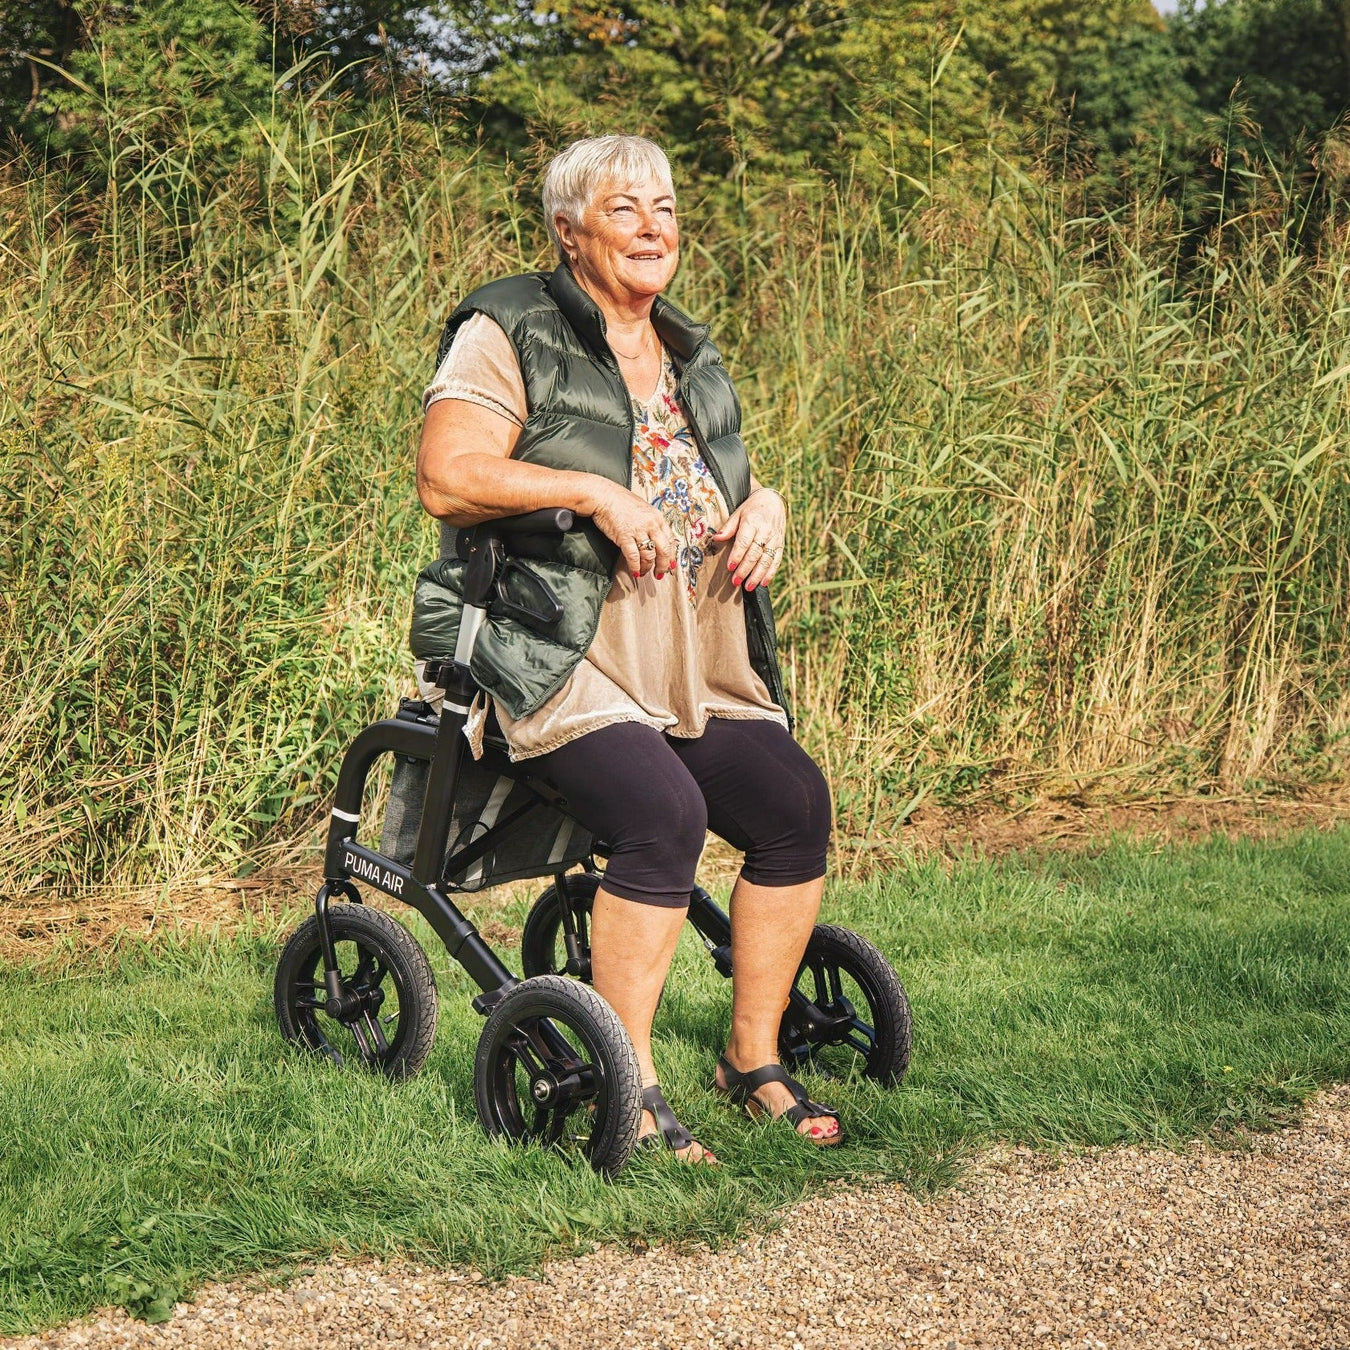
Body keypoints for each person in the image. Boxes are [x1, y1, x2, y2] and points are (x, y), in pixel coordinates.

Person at [415, 134, 839, 1162]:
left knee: (794, 805)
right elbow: (446, 475)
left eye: (666, 208)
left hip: (692, 662)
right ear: (569, 233)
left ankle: (751, 1058)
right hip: (564, 660)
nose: (654, 227)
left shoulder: (689, 350)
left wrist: (769, 507)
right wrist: (592, 493)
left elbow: (720, 483)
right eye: (624, 209)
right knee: (663, 815)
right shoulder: (507, 327)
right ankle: (632, 1082)